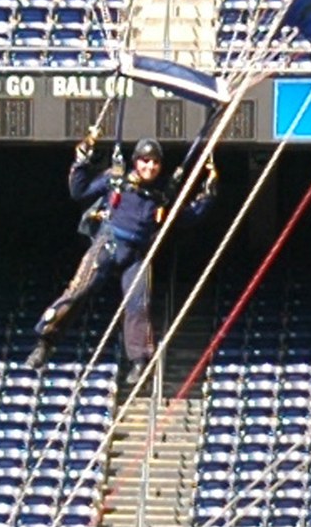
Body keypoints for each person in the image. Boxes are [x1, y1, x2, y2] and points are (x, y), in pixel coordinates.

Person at [27, 132, 216, 376]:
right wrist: (81, 162)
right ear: (136, 161)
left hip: (136, 255)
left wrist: (207, 196)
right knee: (78, 291)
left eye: (155, 162)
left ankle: (139, 360)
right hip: (109, 245)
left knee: (139, 305)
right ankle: (45, 341)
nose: (150, 166)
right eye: (145, 161)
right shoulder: (116, 180)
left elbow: (186, 217)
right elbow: (79, 192)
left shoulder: (162, 194)